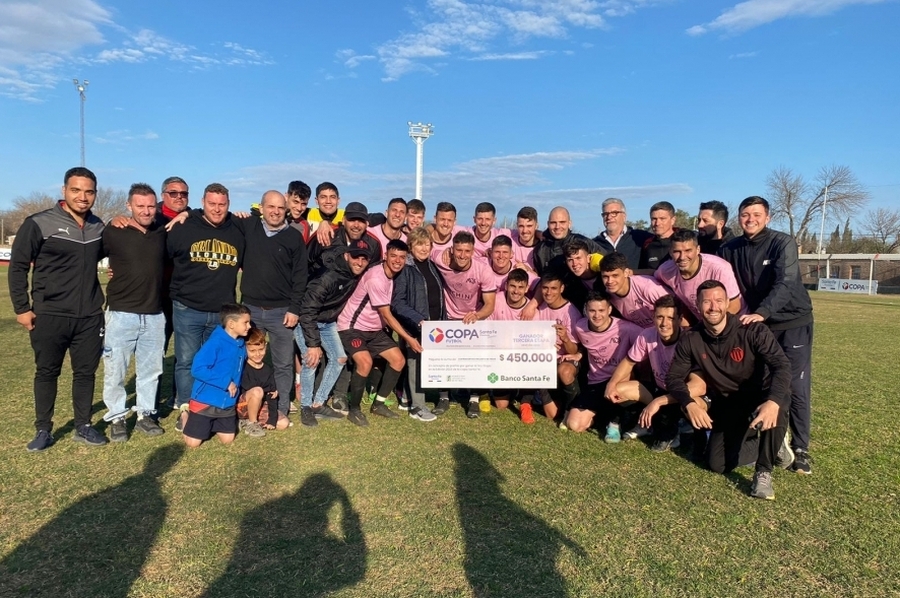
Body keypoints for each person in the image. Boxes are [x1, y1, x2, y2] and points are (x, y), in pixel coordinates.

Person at [9, 166, 109, 450]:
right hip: (49, 314)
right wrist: (22, 308)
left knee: (86, 373)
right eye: (76, 190)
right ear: (64, 191)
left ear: (95, 194)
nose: (83, 196)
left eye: (89, 191)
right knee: (47, 372)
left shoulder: (98, 227)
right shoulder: (39, 223)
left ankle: (84, 425)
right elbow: (17, 267)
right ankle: (43, 429)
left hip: (89, 316)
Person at [666, 280, 794, 500]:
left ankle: (763, 471)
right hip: (730, 404)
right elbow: (673, 378)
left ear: (727, 303)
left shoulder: (752, 330)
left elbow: (782, 366)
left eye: (718, 300)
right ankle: (772, 442)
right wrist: (688, 404)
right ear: (698, 305)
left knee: (778, 403)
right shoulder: (692, 338)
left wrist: (772, 401)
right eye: (707, 302)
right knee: (717, 464)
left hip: (763, 397)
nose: (713, 307)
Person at [718, 195, 815, 475]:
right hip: (759, 324)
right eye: (745, 215)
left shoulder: (781, 242)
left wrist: (762, 311)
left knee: (794, 384)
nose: (750, 219)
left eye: (756, 214)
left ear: (768, 217)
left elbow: (785, 282)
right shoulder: (731, 248)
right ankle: (772, 438)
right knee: (761, 381)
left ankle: (801, 448)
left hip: (792, 321)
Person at [167, 183, 245, 430]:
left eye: (222, 204)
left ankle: (211, 408)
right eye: (212, 204)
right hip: (187, 308)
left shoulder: (238, 228)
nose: (217, 209)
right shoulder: (183, 226)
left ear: (229, 204)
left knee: (218, 362)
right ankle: (186, 409)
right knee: (188, 361)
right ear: (203, 202)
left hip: (222, 312)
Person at [231, 190, 308, 418]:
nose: (275, 212)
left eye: (280, 208)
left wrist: (295, 308)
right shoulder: (249, 226)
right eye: (270, 207)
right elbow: (215, 216)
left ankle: (281, 407)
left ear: (286, 209)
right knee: (246, 358)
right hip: (251, 310)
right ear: (261, 208)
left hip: (281, 312)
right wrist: (184, 215)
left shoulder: (293, 237)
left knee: (283, 363)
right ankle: (245, 403)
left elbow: (300, 276)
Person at [100, 183, 167, 442]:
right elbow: (87, 259)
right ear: (129, 206)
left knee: (151, 370)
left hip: (154, 314)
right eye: (140, 206)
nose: (146, 211)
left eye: (151, 206)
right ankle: (117, 417)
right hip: (120, 313)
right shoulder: (114, 230)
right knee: (116, 370)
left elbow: (186, 214)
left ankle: (145, 415)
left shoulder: (161, 230)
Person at [604, 295, 708, 452]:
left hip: (680, 397)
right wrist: (611, 384)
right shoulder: (647, 335)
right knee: (617, 390)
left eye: (670, 318)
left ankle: (684, 430)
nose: (664, 323)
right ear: (653, 317)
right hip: (659, 389)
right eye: (660, 317)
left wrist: (659, 401)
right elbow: (628, 362)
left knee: (696, 404)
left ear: (680, 319)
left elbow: (699, 387)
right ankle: (651, 424)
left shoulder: (689, 340)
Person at [338, 240, 422, 426]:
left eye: (402, 257)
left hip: (373, 330)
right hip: (352, 327)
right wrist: (409, 338)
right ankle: (354, 409)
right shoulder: (376, 277)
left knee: (398, 360)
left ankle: (379, 404)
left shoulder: (393, 275)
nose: (398, 261)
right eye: (393, 256)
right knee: (366, 363)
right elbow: (387, 314)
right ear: (386, 256)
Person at [295, 242, 371, 425]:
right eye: (356, 257)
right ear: (346, 256)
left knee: (339, 359)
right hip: (306, 321)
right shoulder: (327, 277)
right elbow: (307, 311)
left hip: (328, 323)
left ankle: (318, 403)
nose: (360, 262)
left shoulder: (353, 274)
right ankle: (306, 407)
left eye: (364, 258)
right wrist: (313, 345)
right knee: (311, 361)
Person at [431, 230, 497, 418]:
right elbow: (424, 246)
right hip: (449, 318)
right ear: (451, 249)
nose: (462, 255)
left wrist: (477, 315)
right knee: (443, 360)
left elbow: (490, 305)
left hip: (473, 319)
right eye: (458, 250)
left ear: (473, 251)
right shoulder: (440, 258)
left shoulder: (483, 270)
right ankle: (443, 397)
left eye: (467, 251)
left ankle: (473, 399)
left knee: (474, 360)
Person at [560, 292, 642, 435]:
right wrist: (579, 353)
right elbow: (584, 346)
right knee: (574, 425)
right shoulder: (580, 327)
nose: (597, 315)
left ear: (609, 310)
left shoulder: (626, 328)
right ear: (586, 310)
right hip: (595, 382)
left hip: (619, 381)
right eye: (592, 310)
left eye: (601, 310)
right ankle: (602, 417)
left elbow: (647, 341)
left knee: (625, 375)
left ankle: (615, 421)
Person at [391, 227, 446, 422]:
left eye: (427, 244)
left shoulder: (432, 266)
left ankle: (408, 396)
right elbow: (398, 303)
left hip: (435, 326)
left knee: (425, 365)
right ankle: (417, 407)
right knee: (415, 365)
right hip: (415, 326)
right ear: (410, 247)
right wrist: (417, 319)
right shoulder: (405, 269)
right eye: (419, 244)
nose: (424, 248)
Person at [181, 303, 251, 448]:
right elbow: (198, 369)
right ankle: (186, 415)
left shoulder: (241, 343)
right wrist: (226, 382)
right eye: (246, 322)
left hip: (227, 403)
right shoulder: (215, 342)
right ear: (231, 324)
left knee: (228, 439)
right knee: (193, 443)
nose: (249, 326)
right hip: (205, 400)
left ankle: (210, 424)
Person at [654, 229, 746, 322]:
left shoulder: (719, 268)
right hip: (702, 323)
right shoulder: (666, 271)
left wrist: (711, 328)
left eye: (688, 251)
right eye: (677, 252)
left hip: (735, 321)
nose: (682, 257)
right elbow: (653, 275)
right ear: (670, 252)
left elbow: (735, 305)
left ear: (698, 249)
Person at [156, 177, 191, 406]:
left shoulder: (193, 218)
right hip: (156, 294)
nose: (179, 197)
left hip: (183, 294)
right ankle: (152, 400)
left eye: (183, 194)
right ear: (163, 195)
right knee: (156, 350)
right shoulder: (152, 216)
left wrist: (189, 214)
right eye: (173, 193)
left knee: (184, 351)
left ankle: (179, 397)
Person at [487, 268, 536, 422]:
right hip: (500, 354)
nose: (516, 291)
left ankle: (526, 402)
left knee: (536, 358)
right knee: (501, 405)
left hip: (523, 357)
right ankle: (509, 390)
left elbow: (536, 340)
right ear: (507, 286)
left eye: (521, 287)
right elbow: (487, 329)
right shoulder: (496, 300)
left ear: (527, 288)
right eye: (513, 286)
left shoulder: (533, 310)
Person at [536, 271, 583, 423]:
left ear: (561, 288)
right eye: (545, 288)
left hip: (565, 359)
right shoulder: (540, 307)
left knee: (565, 371)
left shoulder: (571, 312)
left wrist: (565, 338)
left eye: (553, 288)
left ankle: (572, 409)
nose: (548, 292)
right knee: (551, 414)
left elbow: (574, 351)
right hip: (546, 359)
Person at [237, 327, 289, 437]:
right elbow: (249, 387)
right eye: (252, 351)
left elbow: (272, 397)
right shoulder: (242, 367)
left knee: (283, 424)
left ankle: (250, 420)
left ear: (265, 346)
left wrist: (272, 419)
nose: (257, 354)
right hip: (242, 405)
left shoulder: (268, 369)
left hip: (261, 403)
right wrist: (269, 390)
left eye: (260, 349)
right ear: (245, 349)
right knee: (258, 391)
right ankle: (252, 423)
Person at [598, 252, 670, 329]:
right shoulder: (608, 295)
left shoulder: (648, 287)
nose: (610, 281)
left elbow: (677, 310)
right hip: (644, 336)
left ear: (626, 273)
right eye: (605, 277)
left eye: (615, 276)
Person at [308, 201, 381, 276]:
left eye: (361, 221)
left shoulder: (373, 244)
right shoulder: (326, 235)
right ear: (343, 221)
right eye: (352, 220)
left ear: (367, 224)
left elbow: (373, 275)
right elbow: (304, 263)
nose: (356, 225)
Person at [593, 198, 651, 270]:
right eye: (605, 214)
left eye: (614, 213)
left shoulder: (640, 238)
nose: (609, 217)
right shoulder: (594, 244)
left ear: (624, 216)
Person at [639, 201, 679, 271]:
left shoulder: (683, 241)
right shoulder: (647, 245)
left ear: (673, 220)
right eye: (654, 219)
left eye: (662, 219)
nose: (657, 223)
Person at [511, 206, 540, 271]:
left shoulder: (543, 249)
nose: (524, 230)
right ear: (517, 225)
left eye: (529, 226)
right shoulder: (509, 244)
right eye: (521, 226)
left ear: (536, 226)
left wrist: (528, 270)